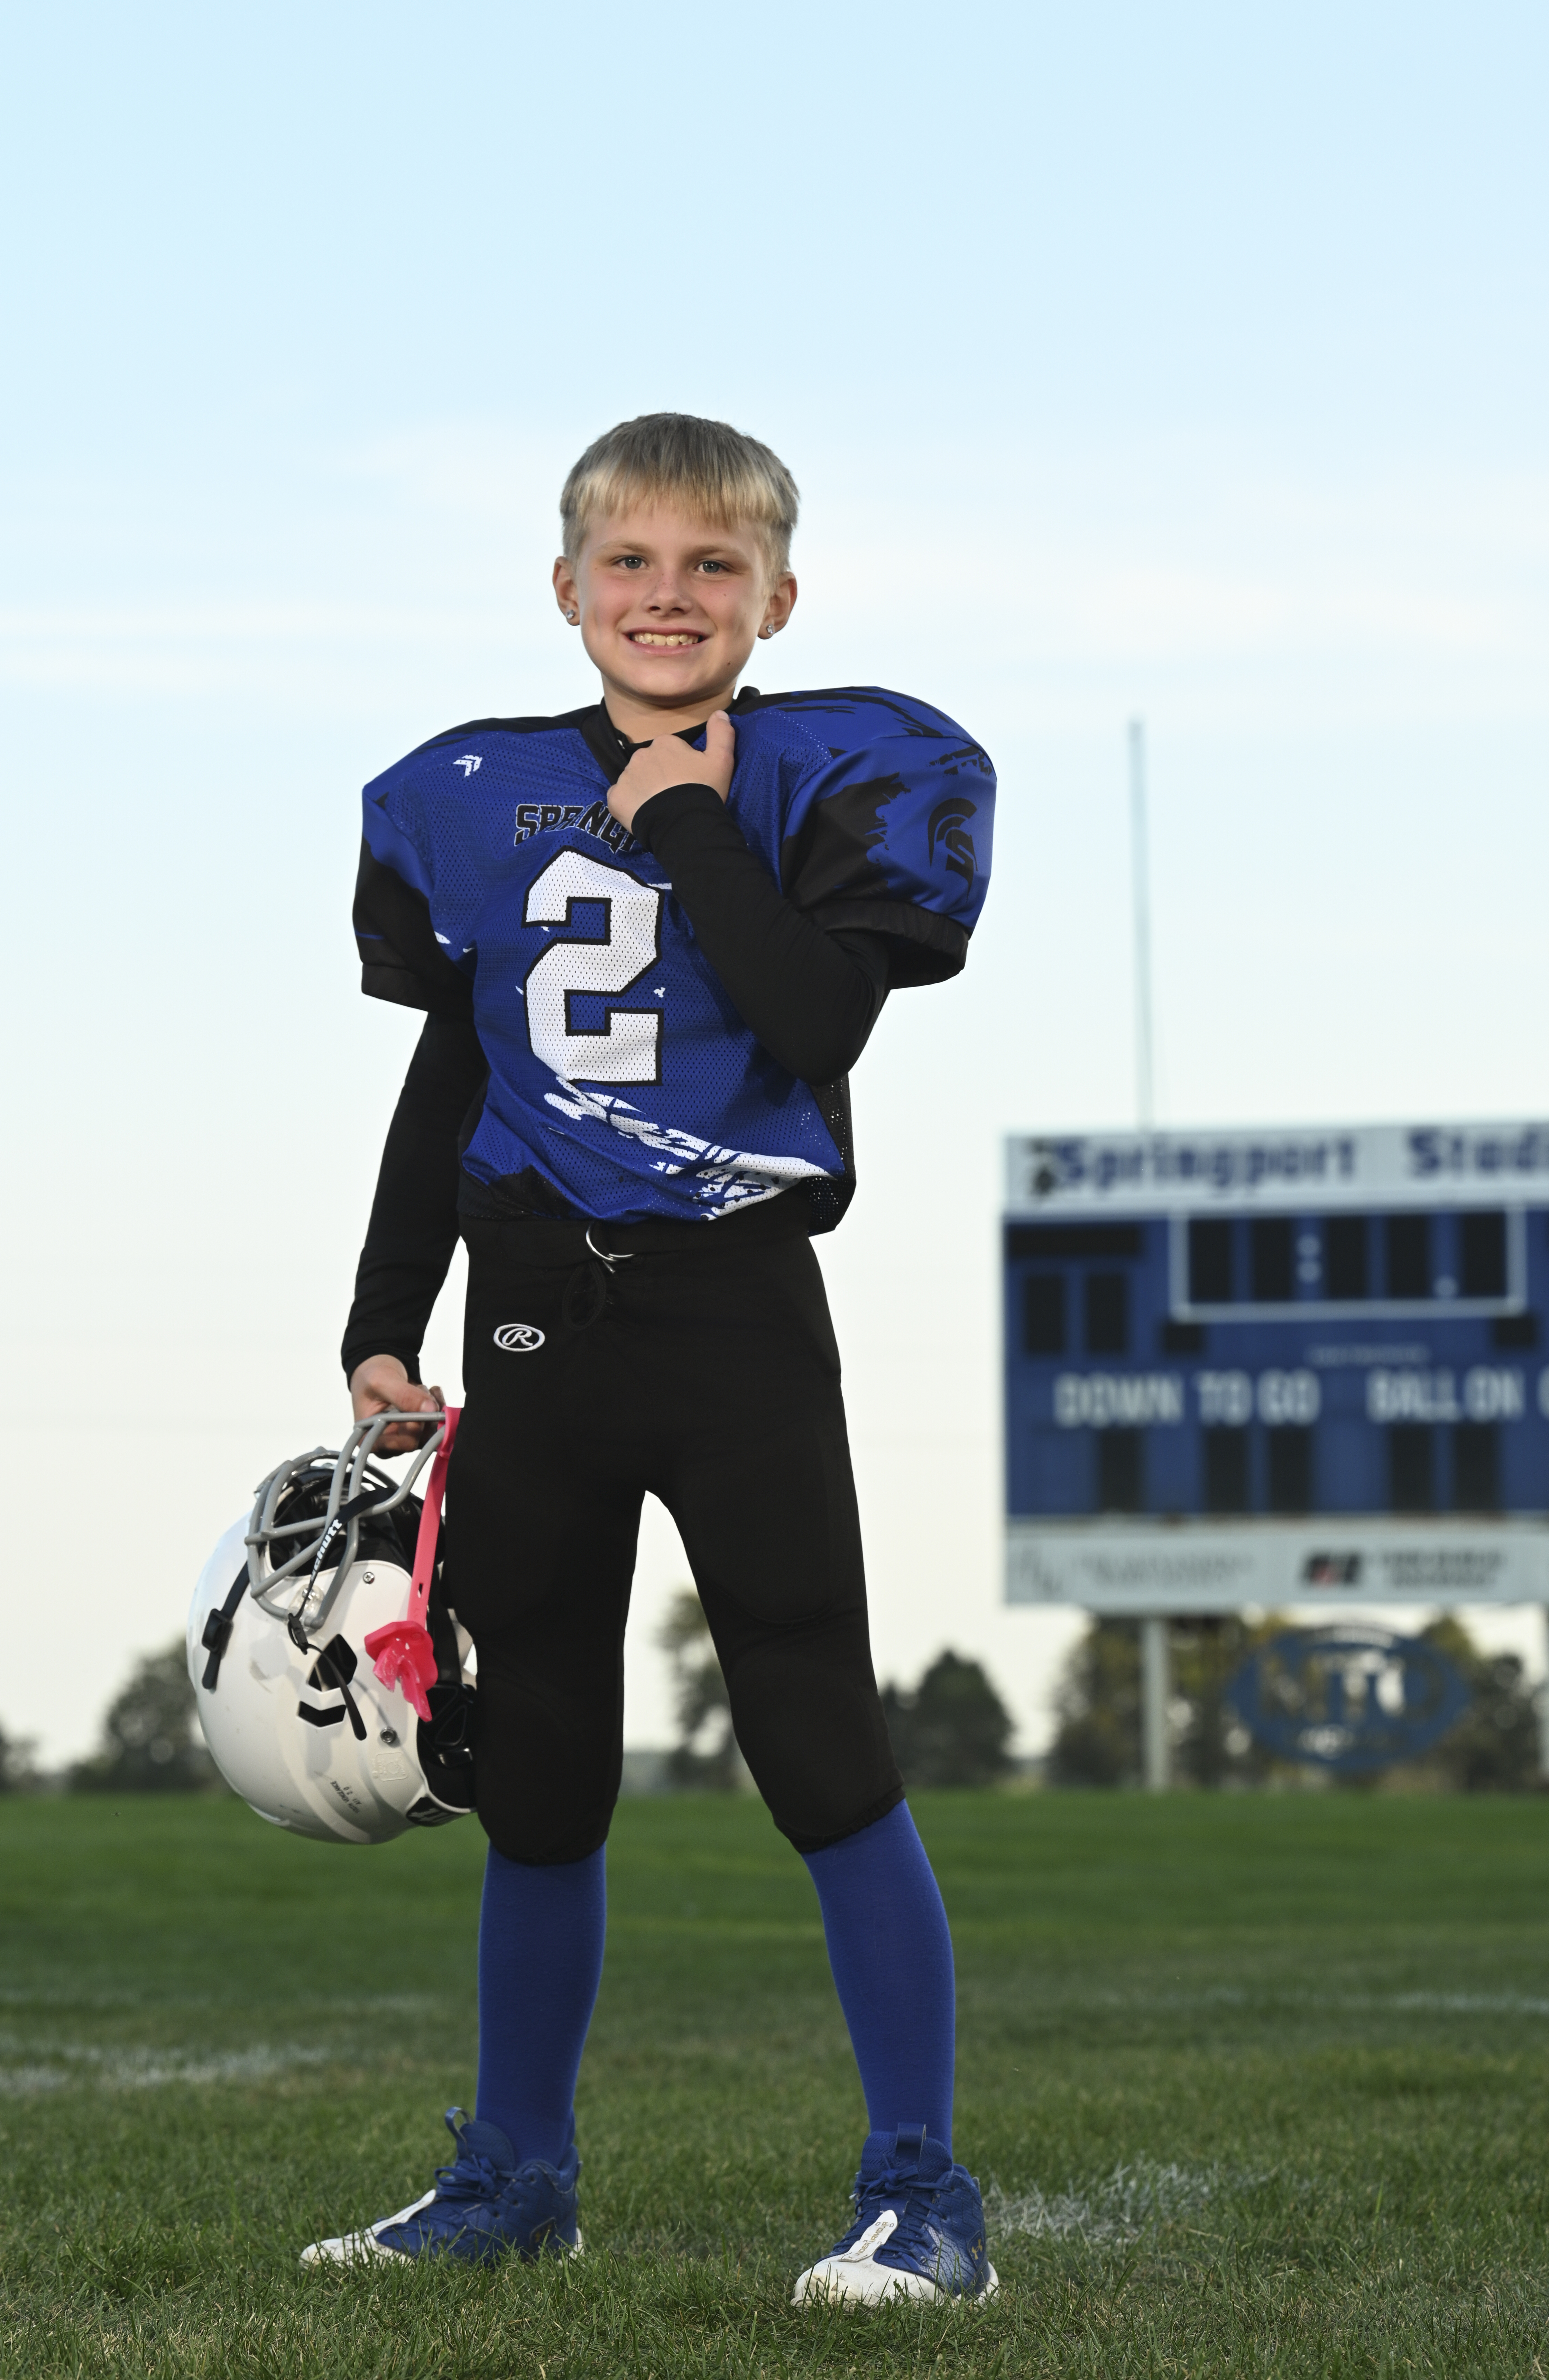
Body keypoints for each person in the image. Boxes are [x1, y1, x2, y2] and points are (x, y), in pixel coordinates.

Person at [299, 413, 996, 2305]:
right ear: (567, 586)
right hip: (533, 1307)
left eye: (712, 567)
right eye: (632, 563)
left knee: (815, 1731)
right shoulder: (471, 788)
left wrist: (685, 815)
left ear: (779, 594)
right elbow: (460, 1060)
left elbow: (819, 1008)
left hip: (732, 1297)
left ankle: (925, 2192)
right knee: (538, 1757)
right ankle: (516, 2175)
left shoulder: (843, 768)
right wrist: (386, 1315)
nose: (668, 597)